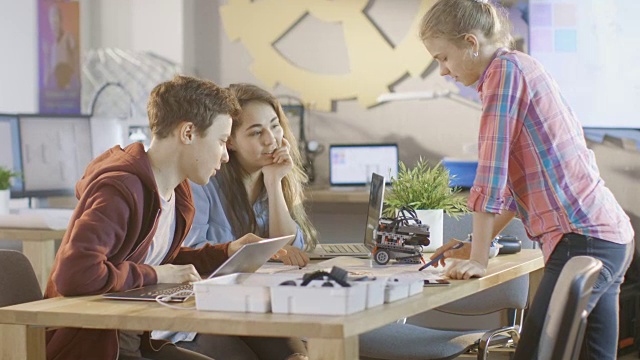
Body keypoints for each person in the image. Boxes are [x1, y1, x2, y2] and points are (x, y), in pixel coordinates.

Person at [419, 1, 634, 359]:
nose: (443, 71)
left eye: (443, 58)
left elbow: (490, 172)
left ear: (470, 42)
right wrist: (476, 246)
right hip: (609, 237)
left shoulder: (504, 74)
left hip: (582, 240)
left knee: (537, 353)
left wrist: (480, 261)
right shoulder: (521, 67)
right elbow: (517, 193)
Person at [44, 75, 280, 360]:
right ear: (188, 133)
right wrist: (155, 276)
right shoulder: (120, 189)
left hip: (136, 342)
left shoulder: (179, 193)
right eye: (220, 142)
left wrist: (227, 252)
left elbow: (154, 259)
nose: (226, 156)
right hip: (94, 349)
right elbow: (75, 274)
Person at [155, 83, 316, 360]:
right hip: (203, 313)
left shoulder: (270, 180)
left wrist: (275, 182)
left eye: (275, 126)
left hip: (254, 306)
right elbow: (192, 256)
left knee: (299, 355)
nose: (271, 140)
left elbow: (294, 251)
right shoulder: (203, 180)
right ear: (229, 139)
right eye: (256, 132)